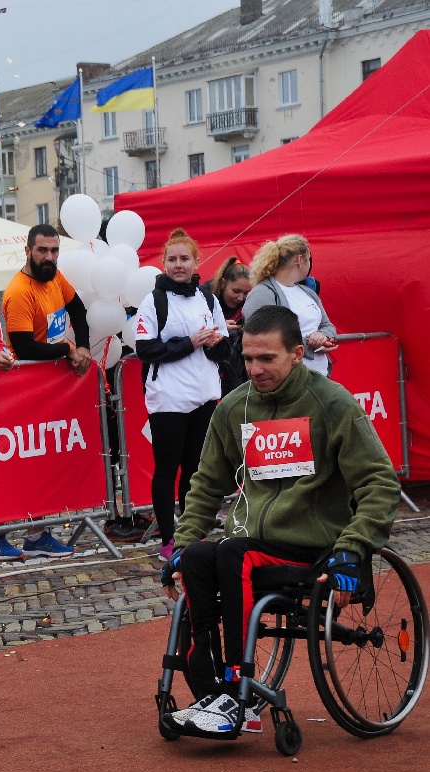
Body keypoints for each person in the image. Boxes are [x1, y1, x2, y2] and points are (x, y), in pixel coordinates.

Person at [162, 306, 400, 735]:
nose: (255, 369)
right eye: (248, 358)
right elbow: (206, 484)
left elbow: (378, 482)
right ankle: (210, 691)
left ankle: (238, 693)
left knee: (235, 554)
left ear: (296, 354)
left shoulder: (332, 403)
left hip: (315, 544)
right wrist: (182, 544)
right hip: (251, 542)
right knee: (197, 556)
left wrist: (353, 547)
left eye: (267, 358)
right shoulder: (233, 408)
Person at [0, 224, 88, 561]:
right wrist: (68, 349)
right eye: (42, 250)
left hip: (50, 386)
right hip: (22, 387)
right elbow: (25, 346)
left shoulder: (55, 278)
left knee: (42, 466)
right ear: (28, 251)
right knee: (17, 467)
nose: (49, 257)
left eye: (54, 250)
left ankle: (37, 535)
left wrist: (82, 347)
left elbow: (79, 310)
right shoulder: (18, 291)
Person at [132, 229, 231, 563]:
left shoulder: (208, 299)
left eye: (184, 259)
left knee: (194, 469)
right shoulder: (154, 300)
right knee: (167, 469)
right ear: (163, 263)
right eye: (172, 259)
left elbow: (225, 349)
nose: (178, 265)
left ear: (196, 262)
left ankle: (190, 534)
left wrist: (215, 343)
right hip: (168, 398)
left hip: (204, 395)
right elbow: (145, 349)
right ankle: (168, 540)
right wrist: (190, 342)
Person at [242, 234, 336, 377]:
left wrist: (322, 336)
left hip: (320, 376)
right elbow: (262, 335)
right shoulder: (262, 293)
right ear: (300, 260)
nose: (310, 264)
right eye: (309, 259)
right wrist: (312, 345)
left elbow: (328, 326)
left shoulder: (308, 293)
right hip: (286, 378)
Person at [210, 256, 253, 395]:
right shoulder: (205, 298)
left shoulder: (249, 302)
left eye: (246, 293)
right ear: (223, 283)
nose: (240, 298)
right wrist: (219, 327)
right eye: (236, 291)